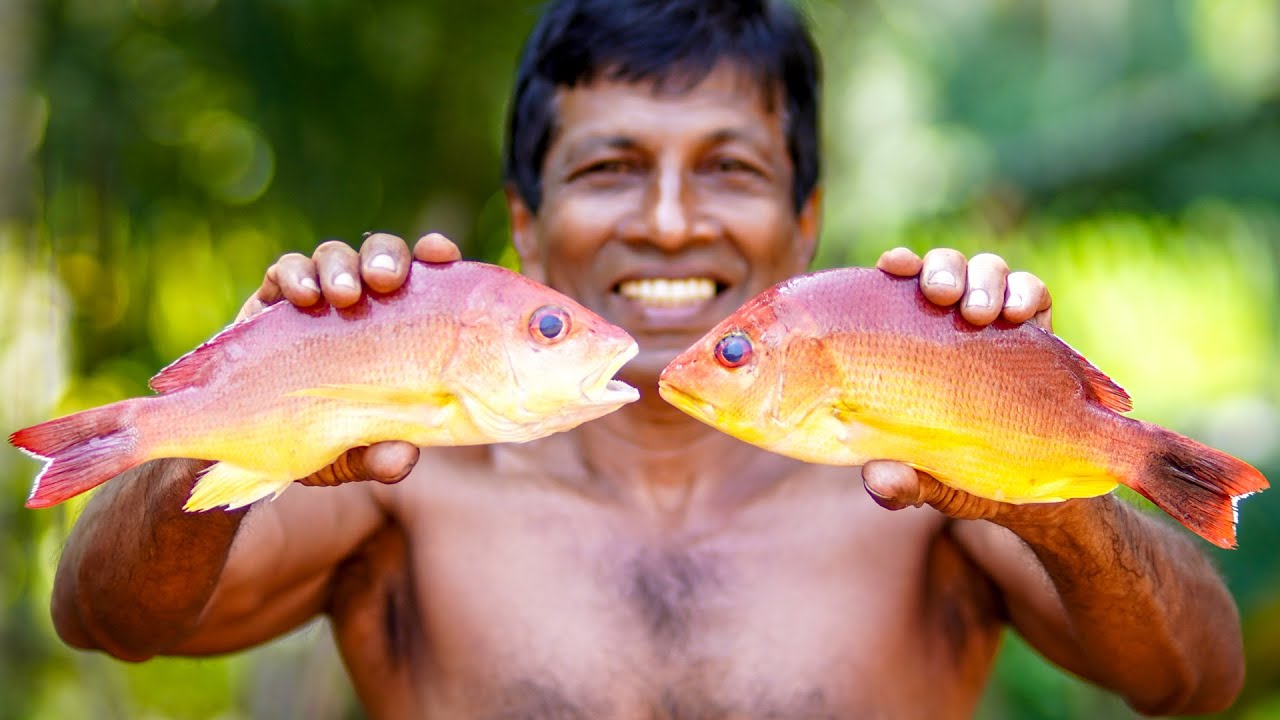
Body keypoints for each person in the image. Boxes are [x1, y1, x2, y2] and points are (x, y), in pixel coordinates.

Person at [49, 1, 1245, 717]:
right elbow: (104, 618)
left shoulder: (918, 484)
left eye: (727, 167)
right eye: (610, 167)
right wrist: (256, 392)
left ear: (804, 223)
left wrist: (1028, 460)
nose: (669, 221)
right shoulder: (404, 479)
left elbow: (1192, 682)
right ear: (525, 227)